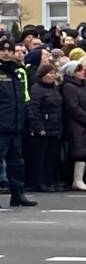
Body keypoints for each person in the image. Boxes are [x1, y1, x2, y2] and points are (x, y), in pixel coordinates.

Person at [0, 37, 34, 207]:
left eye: (9, 50)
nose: (6, 53)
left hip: (15, 125)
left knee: (17, 163)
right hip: (1, 126)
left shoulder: (17, 71)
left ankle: (17, 194)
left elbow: (22, 98)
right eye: (3, 50)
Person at [61, 59, 86, 192]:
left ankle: (82, 178)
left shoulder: (85, 86)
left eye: (82, 69)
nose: (82, 72)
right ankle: (77, 179)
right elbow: (73, 107)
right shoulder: (69, 87)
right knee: (79, 152)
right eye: (78, 70)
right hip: (76, 124)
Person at [25, 63, 63, 193]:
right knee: (40, 158)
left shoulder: (54, 89)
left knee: (51, 158)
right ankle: (39, 182)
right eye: (50, 73)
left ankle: (49, 180)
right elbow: (33, 109)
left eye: (54, 73)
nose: (53, 76)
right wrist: (38, 127)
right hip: (42, 129)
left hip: (55, 128)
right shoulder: (36, 89)